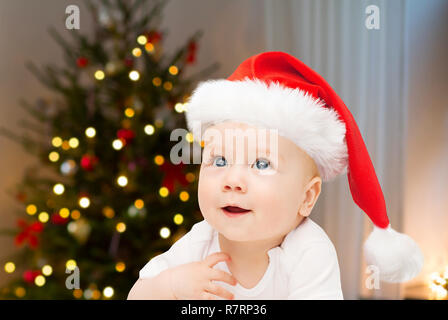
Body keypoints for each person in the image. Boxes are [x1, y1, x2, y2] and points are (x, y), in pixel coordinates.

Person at [127, 51, 423, 300]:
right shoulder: (200, 241)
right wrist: (171, 287)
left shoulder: (309, 253)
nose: (232, 180)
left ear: (306, 197)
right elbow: (137, 296)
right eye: (219, 160)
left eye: (261, 164)